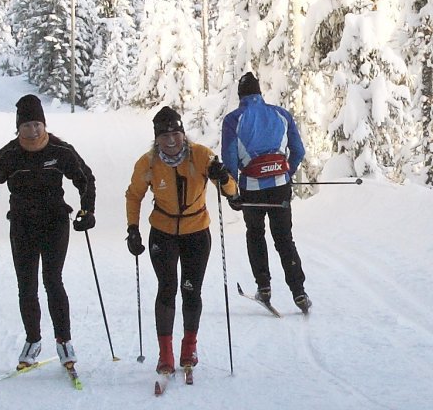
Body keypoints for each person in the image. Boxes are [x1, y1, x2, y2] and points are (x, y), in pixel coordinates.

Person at [0, 94, 96, 373]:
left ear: (44, 124)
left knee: (53, 281)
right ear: (18, 128)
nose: (33, 130)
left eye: (37, 124)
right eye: (27, 125)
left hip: (55, 222)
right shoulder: (9, 154)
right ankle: (33, 341)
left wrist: (87, 211)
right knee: (26, 285)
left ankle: (64, 341)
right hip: (22, 224)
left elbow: (85, 178)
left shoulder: (59, 149)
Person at [125, 106, 241, 375]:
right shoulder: (148, 163)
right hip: (162, 232)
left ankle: (189, 347)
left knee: (191, 290)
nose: (171, 141)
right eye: (164, 136)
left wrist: (223, 178)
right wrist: (132, 229)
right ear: (156, 139)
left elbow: (232, 193)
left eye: (176, 134)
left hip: (196, 232)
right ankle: (165, 354)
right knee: (166, 289)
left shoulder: (201, 155)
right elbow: (134, 195)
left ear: (183, 134)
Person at [220, 72, 311, 312]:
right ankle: (299, 292)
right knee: (284, 239)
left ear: (240, 96)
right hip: (280, 187)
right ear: (260, 92)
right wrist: (286, 176)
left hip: (251, 189)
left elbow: (229, 158)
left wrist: (232, 192)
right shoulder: (281, 115)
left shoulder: (233, 120)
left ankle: (264, 288)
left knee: (255, 235)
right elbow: (298, 151)